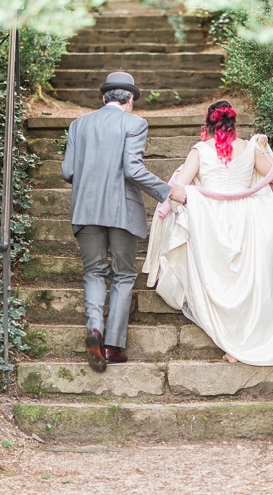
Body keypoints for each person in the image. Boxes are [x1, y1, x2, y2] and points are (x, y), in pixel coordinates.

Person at [144, 100, 273, 366]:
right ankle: (247, 338)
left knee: (219, 278)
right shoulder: (249, 149)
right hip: (248, 218)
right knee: (249, 281)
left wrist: (189, 182)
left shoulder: (200, 151)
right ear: (234, 123)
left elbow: (179, 188)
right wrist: (261, 152)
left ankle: (230, 340)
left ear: (208, 123)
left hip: (211, 219)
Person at [60, 72, 187, 373]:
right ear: (129, 100)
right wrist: (168, 192)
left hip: (86, 210)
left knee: (93, 272)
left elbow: (66, 171)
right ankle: (112, 346)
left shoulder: (79, 125)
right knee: (123, 275)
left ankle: (94, 329)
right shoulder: (135, 123)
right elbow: (132, 169)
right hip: (121, 211)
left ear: (104, 98)